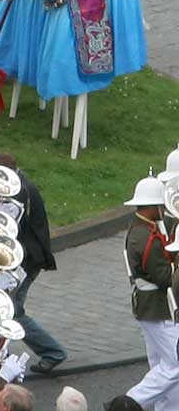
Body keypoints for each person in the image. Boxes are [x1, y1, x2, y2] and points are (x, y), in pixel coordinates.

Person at [0, 152, 67, 374]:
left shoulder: (17, 194)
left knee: (12, 311)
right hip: (27, 257)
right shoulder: (19, 186)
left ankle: (52, 352)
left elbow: (8, 231)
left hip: (25, 261)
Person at [123, 174, 179, 411]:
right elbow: (165, 277)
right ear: (151, 207)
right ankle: (129, 401)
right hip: (157, 307)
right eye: (160, 206)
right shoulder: (147, 237)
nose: (163, 210)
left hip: (148, 305)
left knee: (160, 364)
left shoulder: (142, 228)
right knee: (175, 364)